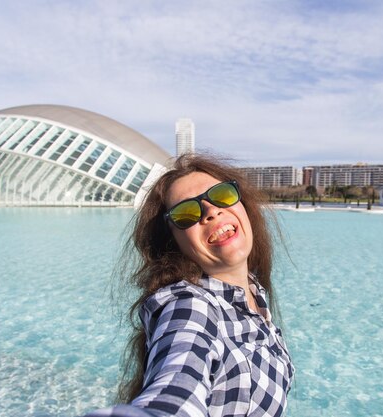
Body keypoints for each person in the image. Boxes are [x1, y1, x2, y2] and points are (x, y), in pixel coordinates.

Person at [84, 154, 294, 417]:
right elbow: (177, 384)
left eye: (222, 194)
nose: (211, 211)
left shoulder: (253, 294)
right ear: (174, 243)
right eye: (187, 213)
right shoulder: (189, 306)